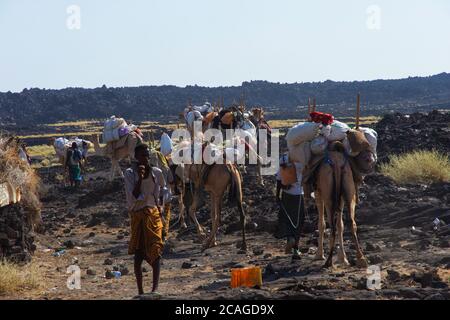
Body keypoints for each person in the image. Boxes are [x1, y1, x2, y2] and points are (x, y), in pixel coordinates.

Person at [124, 144, 167, 295]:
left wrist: (160, 206)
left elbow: (163, 190)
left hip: (153, 214)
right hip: (138, 216)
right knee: (138, 254)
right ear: (136, 157)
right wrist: (141, 178)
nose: (146, 158)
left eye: (147, 155)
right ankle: (141, 291)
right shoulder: (130, 174)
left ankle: (155, 289)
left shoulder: (157, 172)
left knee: (156, 250)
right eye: (142, 155)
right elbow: (133, 195)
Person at [275, 153, 306, 260]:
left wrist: (277, 195)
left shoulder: (284, 159)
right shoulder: (303, 160)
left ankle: (289, 238)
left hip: (286, 195)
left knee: (286, 219)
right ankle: (296, 249)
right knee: (299, 221)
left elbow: (279, 179)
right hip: (299, 195)